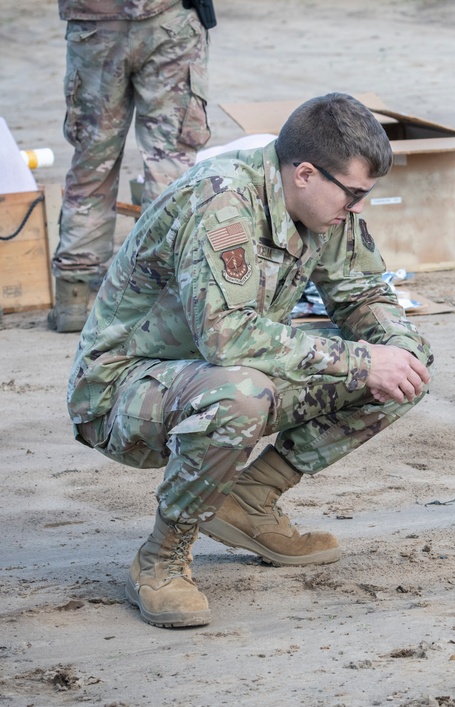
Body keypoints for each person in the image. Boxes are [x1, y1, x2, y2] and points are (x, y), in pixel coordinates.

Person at [66, 93, 433, 628]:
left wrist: (398, 347)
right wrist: (359, 361)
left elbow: (361, 294)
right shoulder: (221, 200)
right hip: (122, 391)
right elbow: (228, 340)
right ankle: (162, 558)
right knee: (242, 393)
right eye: (353, 194)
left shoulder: (322, 207)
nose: (357, 208)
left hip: (225, 374)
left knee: (404, 370)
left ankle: (250, 500)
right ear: (305, 172)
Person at [50, 0, 212, 333]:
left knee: (92, 161)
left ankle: (73, 297)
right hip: (167, 20)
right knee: (169, 163)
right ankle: (157, 295)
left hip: (94, 22)